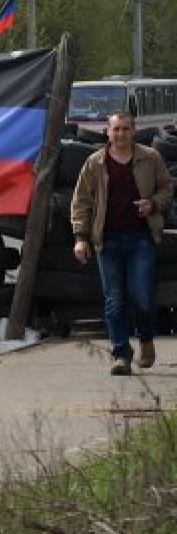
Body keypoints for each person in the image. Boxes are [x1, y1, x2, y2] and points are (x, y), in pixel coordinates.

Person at [72, 111, 173, 376]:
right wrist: (81, 238)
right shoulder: (95, 163)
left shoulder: (150, 158)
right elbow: (81, 202)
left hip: (141, 240)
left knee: (141, 297)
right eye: (116, 130)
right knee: (114, 301)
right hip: (108, 242)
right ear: (107, 131)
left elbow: (166, 189)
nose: (121, 134)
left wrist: (153, 204)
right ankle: (121, 355)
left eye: (126, 129)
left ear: (134, 130)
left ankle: (146, 339)